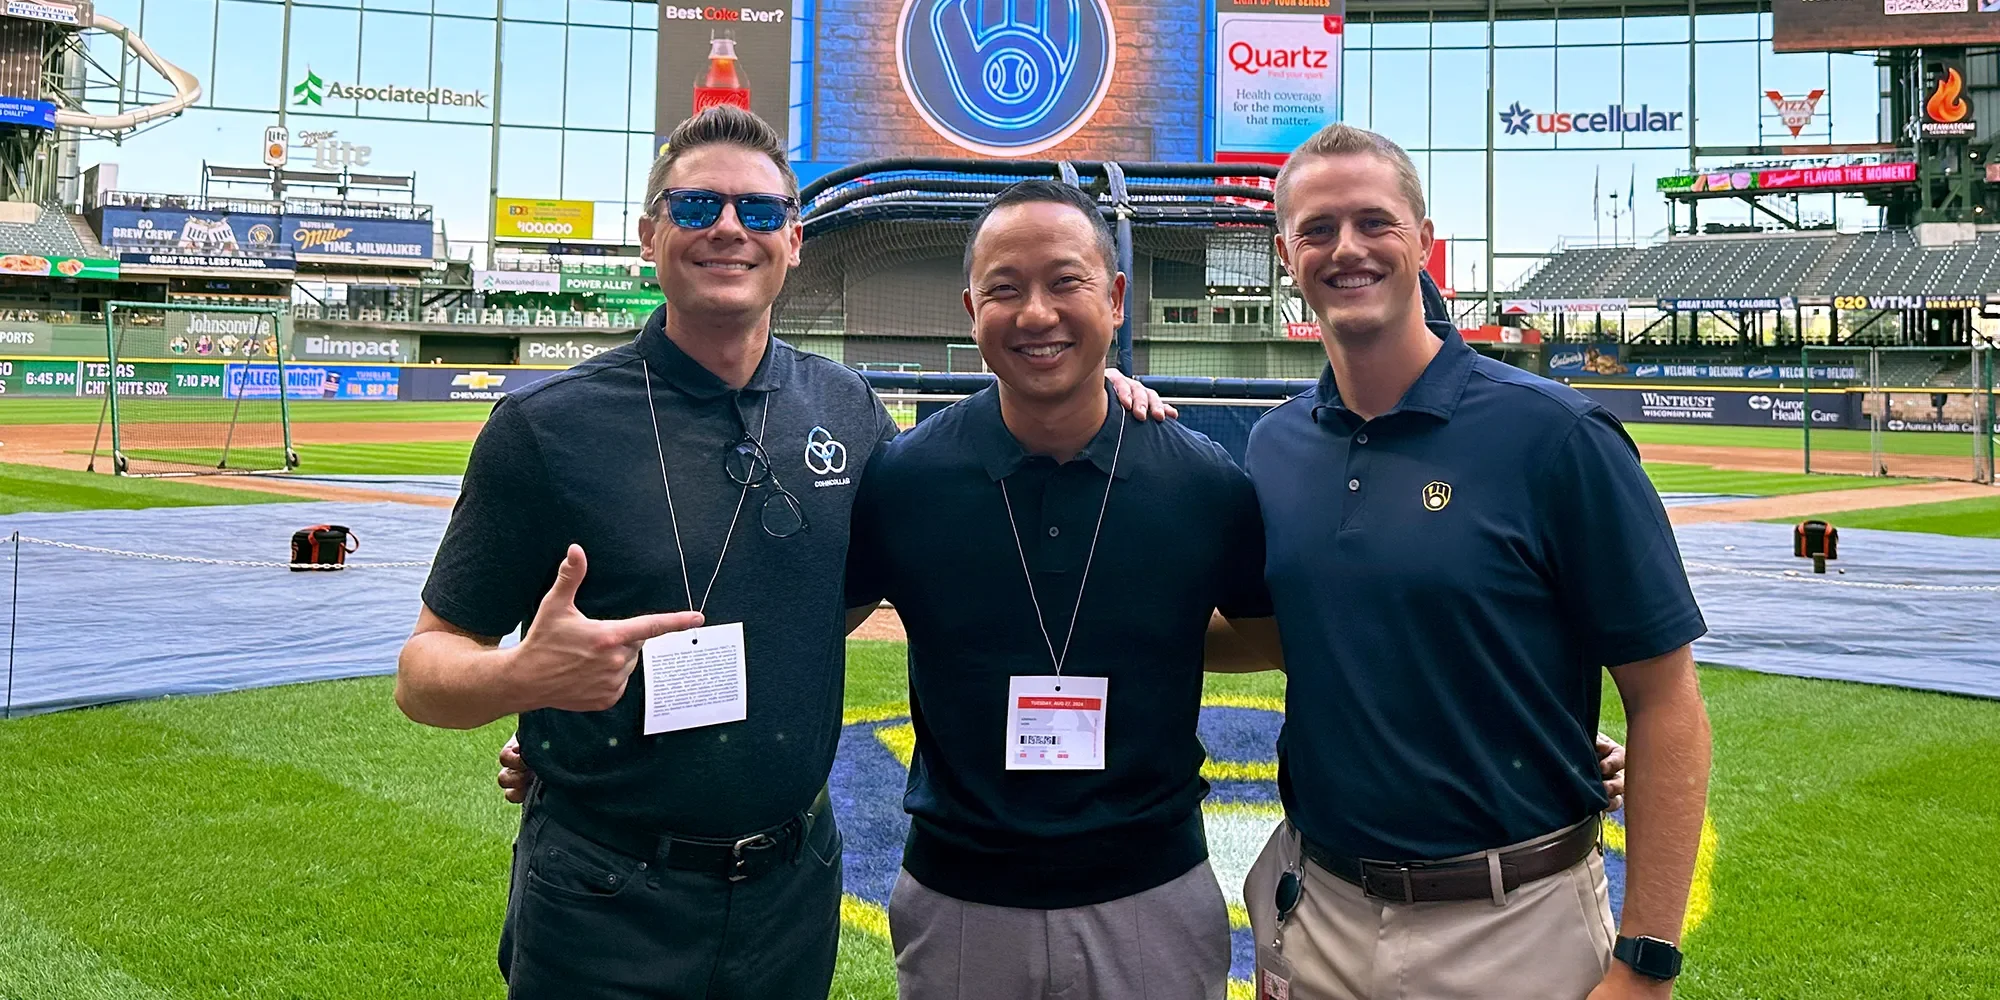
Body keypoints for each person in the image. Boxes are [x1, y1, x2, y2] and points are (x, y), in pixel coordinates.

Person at [397, 105, 1169, 1000]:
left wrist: (1085, 387)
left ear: (793, 241)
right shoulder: (545, 429)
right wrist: (524, 678)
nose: (729, 228)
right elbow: (424, 671)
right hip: (604, 893)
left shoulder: (846, 410)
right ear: (649, 235)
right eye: (697, 207)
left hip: (791, 889)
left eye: (759, 211)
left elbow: (871, 570)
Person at [1236, 123, 1713, 1000]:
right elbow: (1280, 630)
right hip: (1320, 910)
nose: (1346, 248)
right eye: (1318, 229)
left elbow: (1667, 698)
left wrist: (1646, 965)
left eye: (1374, 222)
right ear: (1285, 255)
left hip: (1513, 922)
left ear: (1423, 241)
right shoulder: (1274, 446)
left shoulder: (1557, 436)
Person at [842, 179, 1273, 1000]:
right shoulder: (904, 480)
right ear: (971, 310)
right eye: (1004, 289)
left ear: (1115, 298)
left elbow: (1272, 637)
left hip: (1152, 895)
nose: (1036, 313)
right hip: (960, 901)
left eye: (1065, 282)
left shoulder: (1203, 484)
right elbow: (811, 626)